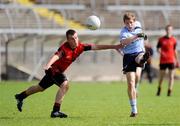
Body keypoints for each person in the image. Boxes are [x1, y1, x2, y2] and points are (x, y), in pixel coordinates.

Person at [15, 29, 136, 118]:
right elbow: (56, 56)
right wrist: (48, 64)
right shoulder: (64, 48)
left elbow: (96, 46)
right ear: (68, 40)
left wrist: (114, 46)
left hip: (57, 72)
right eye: (73, 39)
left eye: (76, 37)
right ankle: (55, 111)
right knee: (65, 84)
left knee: (39, 88)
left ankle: (20, 96)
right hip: (53, 70)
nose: (75, 40)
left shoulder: (81, 47)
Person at [118, 12, 150, 117]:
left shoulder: (138, 25)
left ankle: (143, 59)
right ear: (124, 23)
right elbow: (124, 43)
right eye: (127, 23)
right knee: (130, 83)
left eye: (131, 22)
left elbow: (144, 36)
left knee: (139, 60)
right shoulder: (123, 32)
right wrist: (136, 36)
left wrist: (145, 38)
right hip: (128, 57)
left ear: (134, 21)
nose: (130, 25)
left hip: (139, 52)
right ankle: (134, 110)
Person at [156, 24, 179, 96]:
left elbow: (175, 50)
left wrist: (177, 60)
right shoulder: (161, 39)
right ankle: (159, 88)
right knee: (161, 77)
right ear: (166, 30)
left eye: (170, 29)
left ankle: (169, 91)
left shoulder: (174, 40)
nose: (169, 31)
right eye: (168, 29)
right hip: (163, 61)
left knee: (171, 77)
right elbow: (158, 48)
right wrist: (161, 53)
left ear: (172, 30)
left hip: (171, 60)